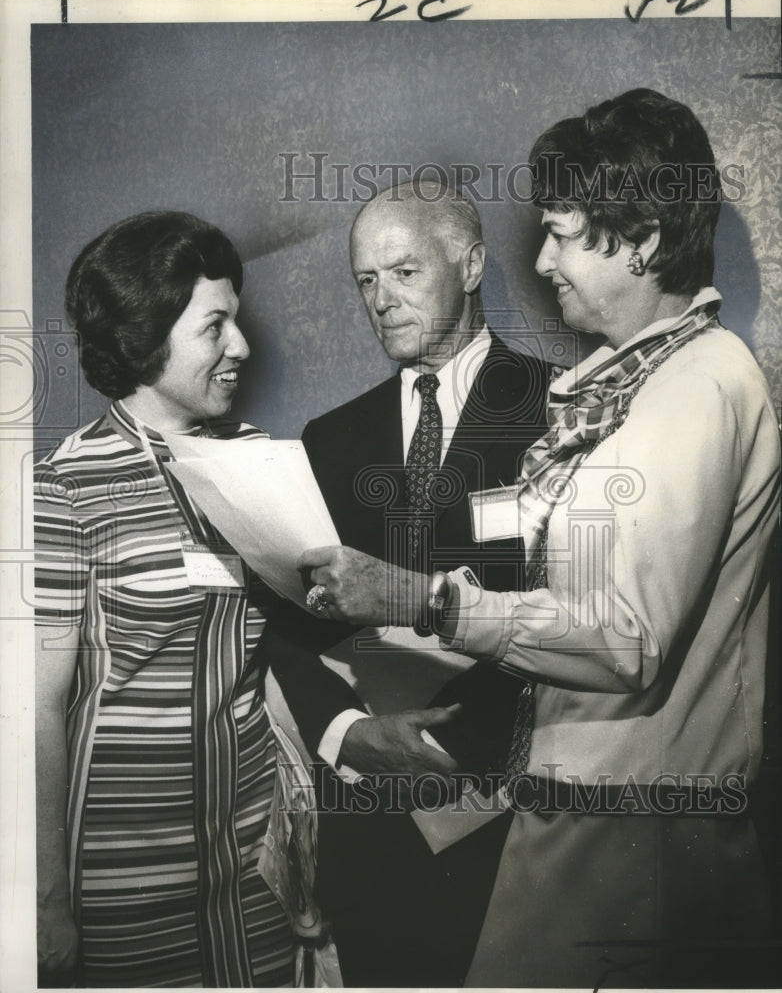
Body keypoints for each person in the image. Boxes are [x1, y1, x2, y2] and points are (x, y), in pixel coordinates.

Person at [298, 89, 782, 987]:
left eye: (561, 231)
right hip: (580, 811)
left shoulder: (699, 386)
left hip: (627, 828)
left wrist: (414, 596)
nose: (546, 258)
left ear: (640, 237)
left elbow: (624, 638)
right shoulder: (629, 384)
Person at [265, 181, 550, 986]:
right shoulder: (331, 438)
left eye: (403, 272)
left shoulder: (560, 411)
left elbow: (588, 614)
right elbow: (287, 627)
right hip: (371, 828)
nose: (381, 301)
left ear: (470, 263)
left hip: (516, 825)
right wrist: (348, 734)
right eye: (365, 280)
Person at [34, 211, 328, 987]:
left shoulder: (260, 462)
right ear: (147, 333)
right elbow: (33, 710)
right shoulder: (63, 488)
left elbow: (289, 655)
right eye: (216, 326)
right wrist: (46, 900)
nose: (243, 347)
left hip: (257, 859)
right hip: (125, 870)